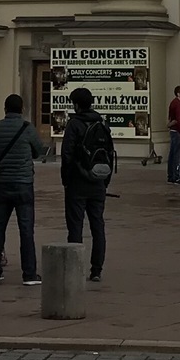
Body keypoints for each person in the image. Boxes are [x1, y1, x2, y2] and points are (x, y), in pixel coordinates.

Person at [0, 94, 43, 286]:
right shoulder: (28, 128)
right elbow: (38, 150)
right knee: (26, 230)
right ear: (22, 108)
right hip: (24, 183)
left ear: (5, 108)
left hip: (1, 183)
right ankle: (29, 274)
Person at [59, 87, 115, 283]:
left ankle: (75, 267)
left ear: (76, 104)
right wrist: (105, 180)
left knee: (75, 226)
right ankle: (97, 269)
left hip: (77, 182)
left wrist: (66, 180)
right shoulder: (102, 122)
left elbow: (67, 154)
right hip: (98, 180)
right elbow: (109, 152)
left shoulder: (74, 124)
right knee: (97, 225)